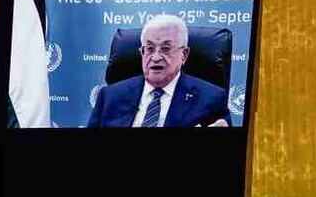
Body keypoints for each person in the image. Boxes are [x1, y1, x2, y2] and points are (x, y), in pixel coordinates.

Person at [88, 14, 231, 128]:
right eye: (149, 49)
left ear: (184, 55)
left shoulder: (212, 100)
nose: (155, 57)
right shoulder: (108, 97)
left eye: (166, 49)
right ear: (142, 52)